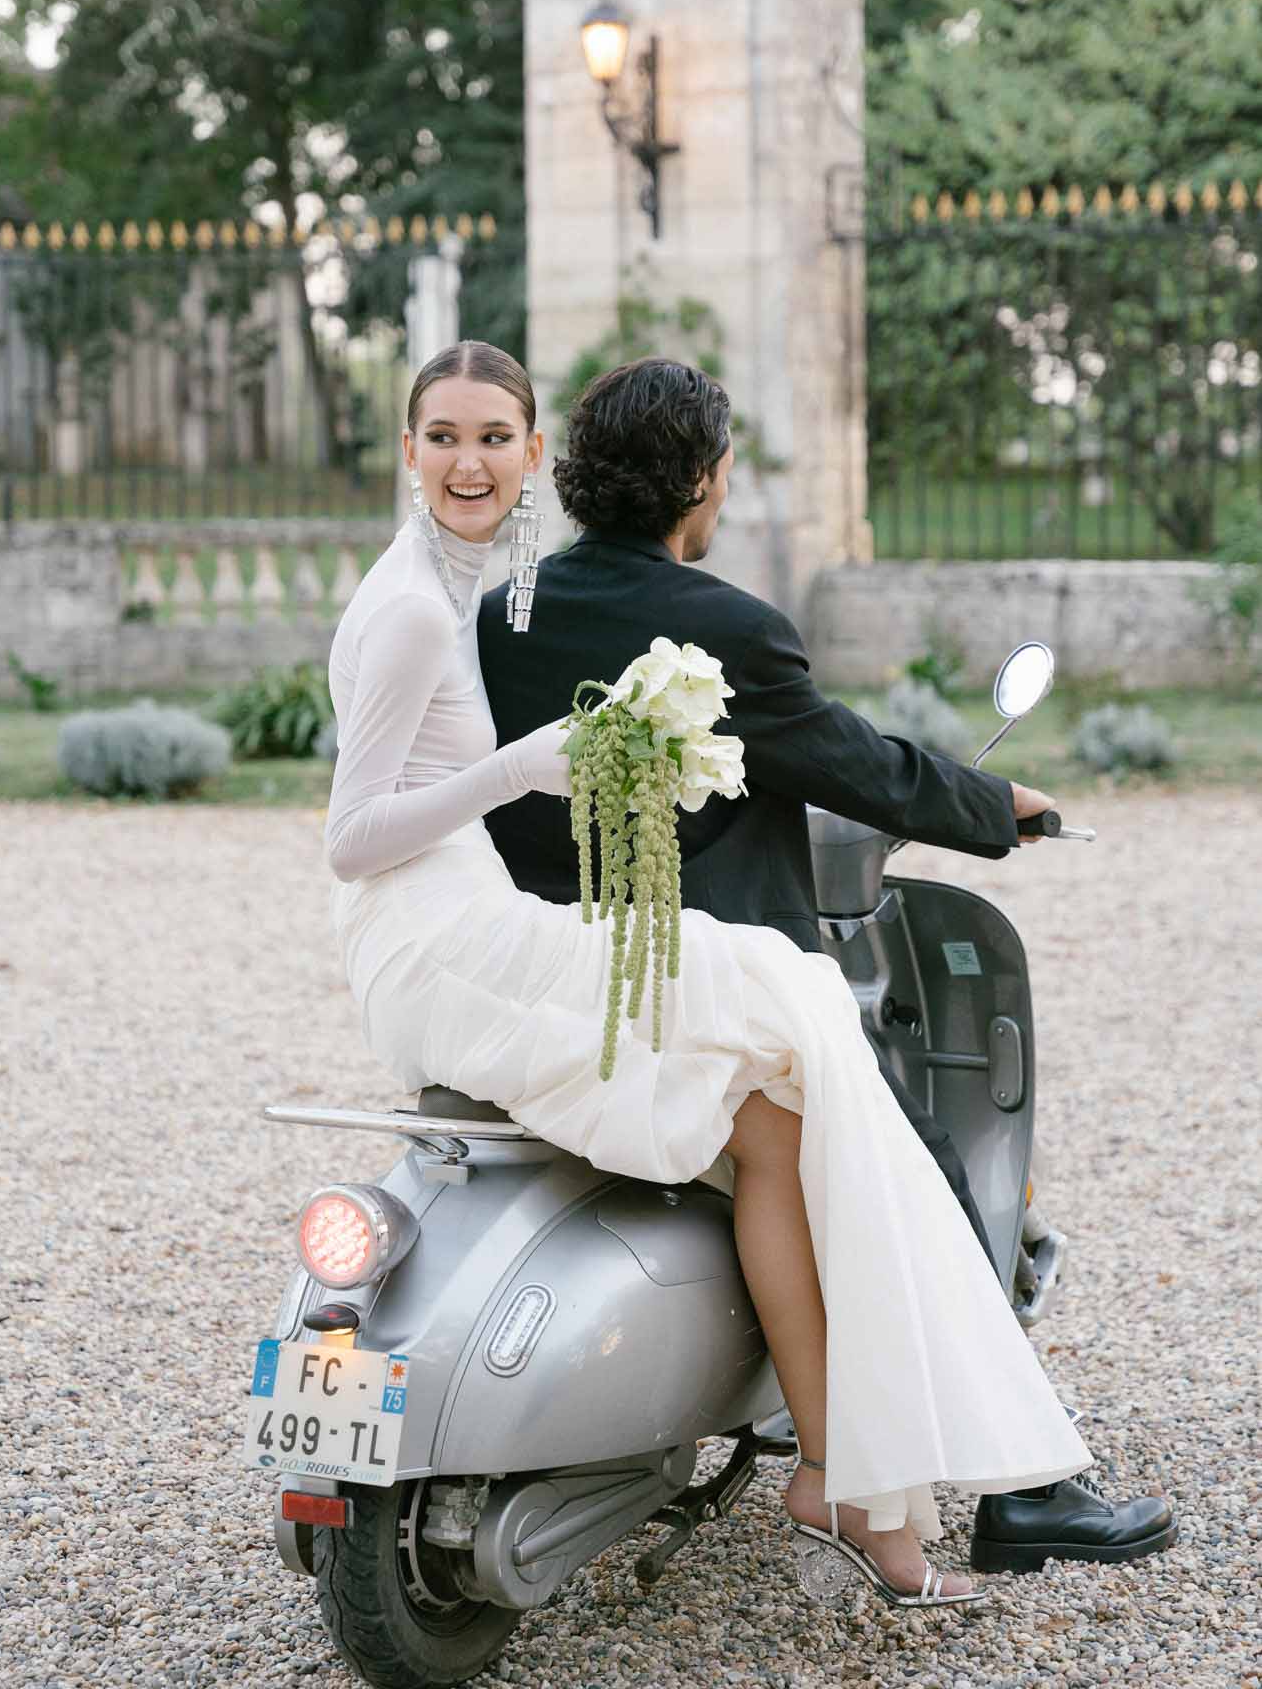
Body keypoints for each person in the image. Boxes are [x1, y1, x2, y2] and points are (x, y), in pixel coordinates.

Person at [325, 340, 1094, 1613]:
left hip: (500, 930)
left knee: (796, 1101)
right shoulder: (691, 621)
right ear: (710, 480)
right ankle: (964, 1476)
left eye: (494, 438)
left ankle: (855, 1465)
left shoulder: (502, 602)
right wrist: (994, 807)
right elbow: (849, 757)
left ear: (547, 462)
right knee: (837, 1095)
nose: (471, 461)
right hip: (543, 946)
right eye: (448, 436)